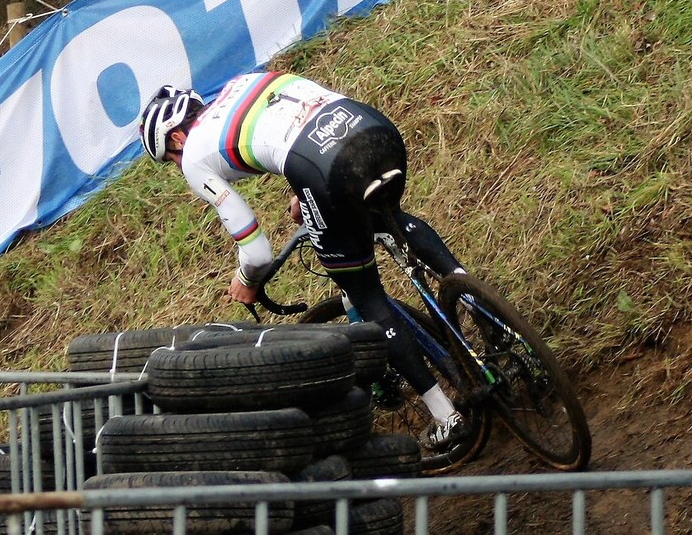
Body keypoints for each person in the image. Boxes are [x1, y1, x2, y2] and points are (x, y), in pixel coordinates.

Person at [138, 72, 469, 449]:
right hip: (368, 125)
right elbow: (296, 123)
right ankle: (485, 310)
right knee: (389, 215)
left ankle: (446, 415)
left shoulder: (193, 154)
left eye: (171, 156)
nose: (178, 162)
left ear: (176, 138)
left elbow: (257, 250)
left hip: (318, 164)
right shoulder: (241, 84)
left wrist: (247, 280)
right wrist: (306, 190)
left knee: (364, 295)